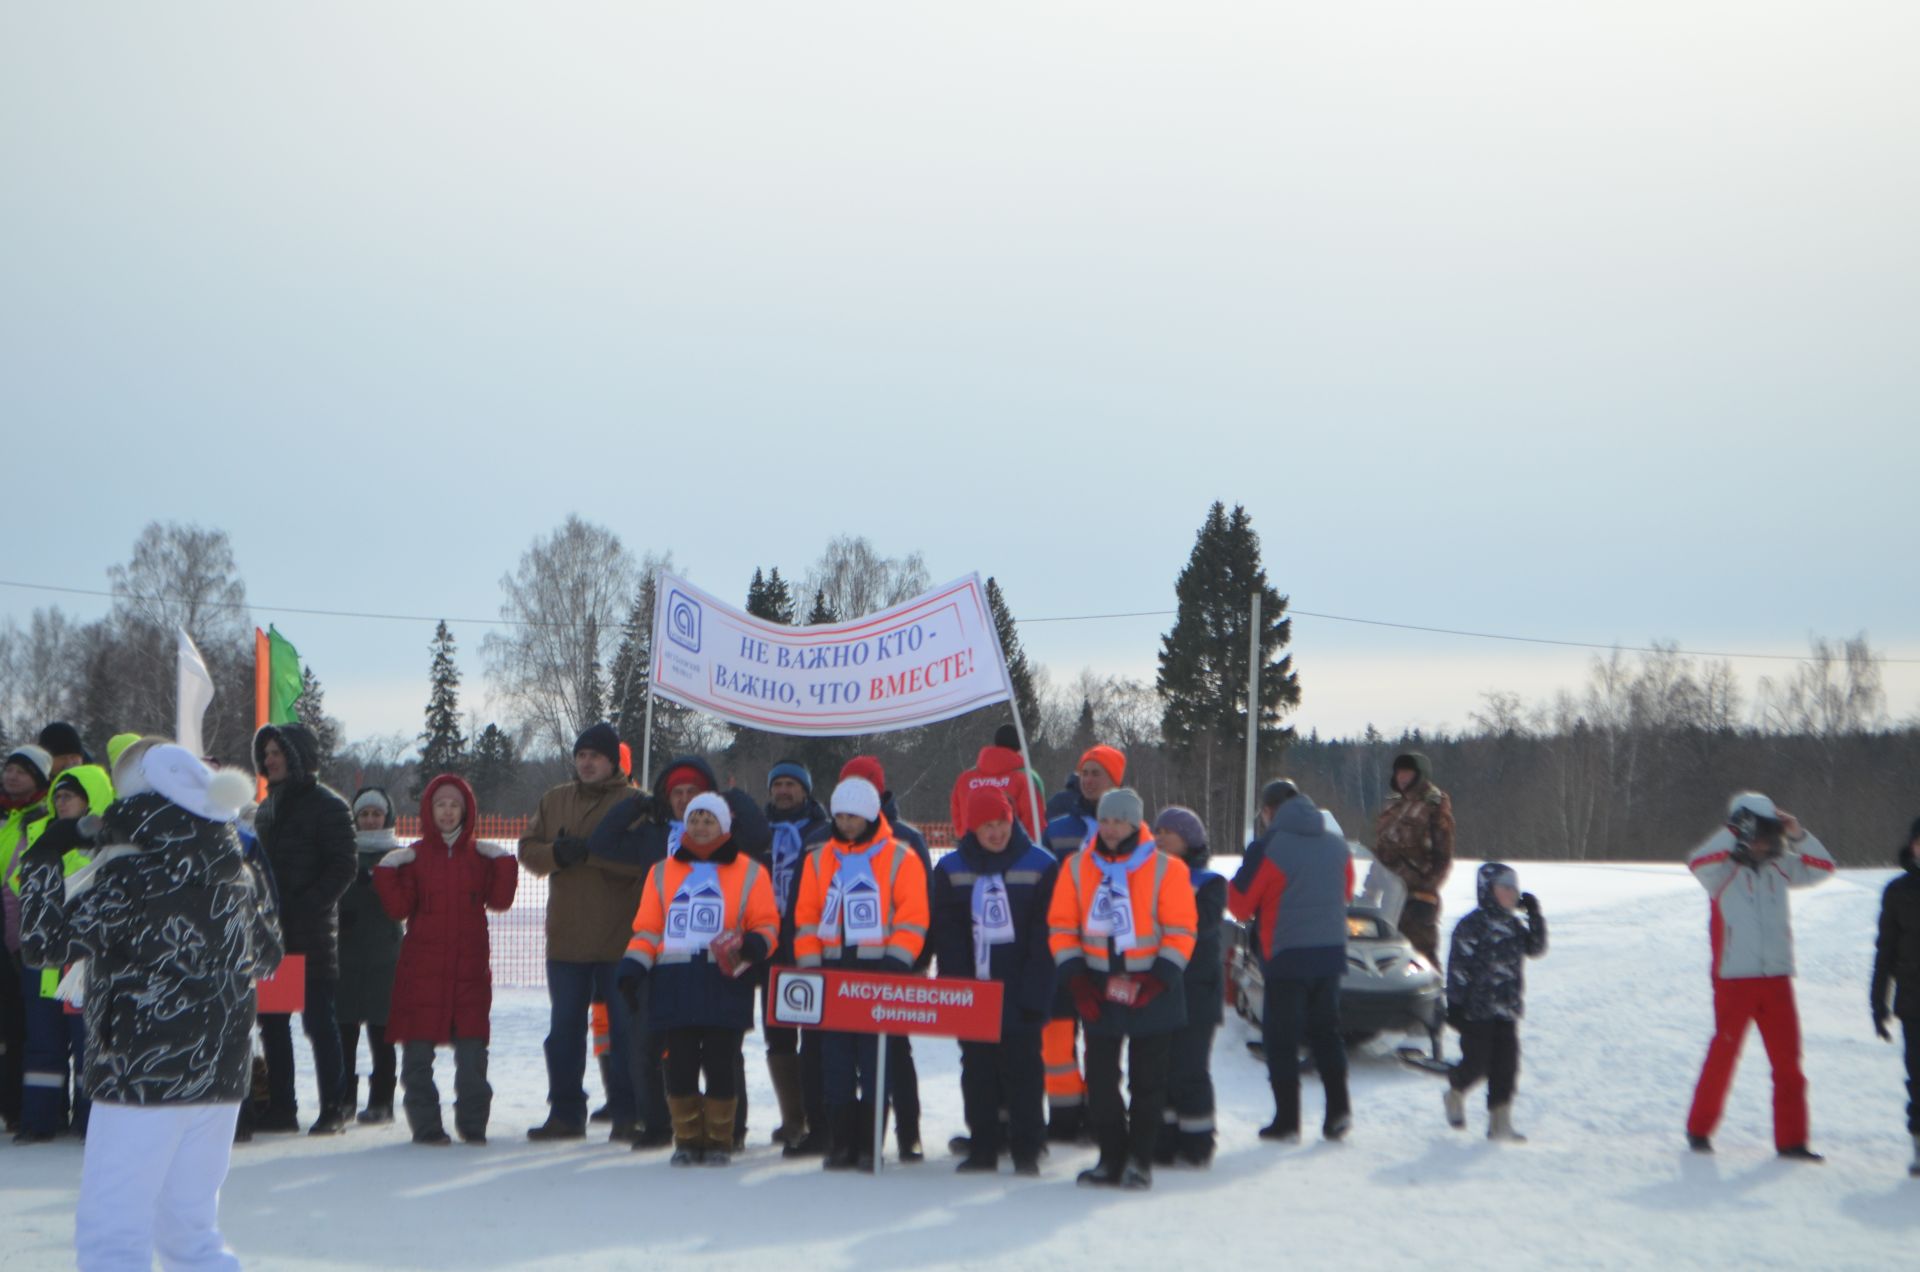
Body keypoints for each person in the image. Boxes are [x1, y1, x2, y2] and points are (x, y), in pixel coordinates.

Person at [19, 743, 279, 1271]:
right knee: (191, 1230)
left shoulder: (129, 878)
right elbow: (269, 955)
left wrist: (44, 857)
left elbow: (42, 945)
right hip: (220, 1075)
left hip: (140, 1071)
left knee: (113, 1229)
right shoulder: (236, 871)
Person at [587, 753, 770, 1150]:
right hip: (669, 970)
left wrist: (732, 799)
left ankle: (728, 1133)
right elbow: (604, 844)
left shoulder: (741, 857)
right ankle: (662, 1127)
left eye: (695, 796)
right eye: (679, 795)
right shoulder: (655, 838)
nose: (687, 803)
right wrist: (636, 802)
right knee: (664, 1053)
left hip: (723, 972)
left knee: (724, 1057)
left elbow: (759, 836)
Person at [619, 792, 778, 1166]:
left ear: (723, 826)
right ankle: (688, 1139)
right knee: (680, 1064)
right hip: (675, 982)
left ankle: (720, 1140)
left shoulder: (750, 872)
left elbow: (768, 924)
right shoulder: (662, 872)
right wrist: (632, 966)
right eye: (694, 819)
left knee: (722, 1062)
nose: (700, 827)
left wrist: (754, 944)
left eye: (708, 820)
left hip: (725, 980)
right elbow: (647, 930)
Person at [1050, 787, 1197, 1190]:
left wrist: (1159, 979)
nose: (1112, 829)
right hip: (1097, 987)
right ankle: (1110, 1157)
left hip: (1152, 987)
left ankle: (1139, 1160)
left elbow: (1182, 930)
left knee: (1147, 1083)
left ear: (1136, 824)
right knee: (1099, 1080)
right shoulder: (1078, 867)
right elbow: (1062, 926)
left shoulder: (1168, 869)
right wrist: (1077, 979)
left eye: (1120, 821)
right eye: (1107, 820)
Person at [1685, 791, 1834, 1160]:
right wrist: (1734, 827)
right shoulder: (1719, 874)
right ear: (1741, 833)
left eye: (1768, 834)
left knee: (1788, 1064)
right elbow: (1696, 860)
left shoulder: (1781, 867)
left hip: (1777, 980)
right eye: (1756, 833)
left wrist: (1798, 833)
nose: (1763, 841)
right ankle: (1699, 1131)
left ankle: (1792, 1141)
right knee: (1723, 1055)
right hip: (1734, 980)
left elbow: (1823, 866)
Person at [793, 776, 930, 1171]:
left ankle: (870, 1144)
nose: (846, 823)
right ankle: (840, 1143)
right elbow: (805, 918)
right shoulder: (820, 859)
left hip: (879, 974)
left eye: (853, 816)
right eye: (840, 816)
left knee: (876, 1062)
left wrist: (897, 959)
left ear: (870, 815)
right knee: (835, 1062)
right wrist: (810, 965)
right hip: (832, 973)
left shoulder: (900, 857)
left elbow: (913, 915)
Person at [375, 774, 517, 1145]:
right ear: (429, 810)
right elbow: (398, 908)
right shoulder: (417, 858)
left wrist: (503, 862)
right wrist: (389, 870)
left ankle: (473, 1127)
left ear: (466, 810)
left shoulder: (480, 858)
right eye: (441, 804)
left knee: (473, 1061)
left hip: (469, 977)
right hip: (421, 975)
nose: (448, 811)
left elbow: (500, 901)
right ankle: (426, 1128)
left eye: (455, 805)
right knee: (417, 1060)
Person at [517, 723, 640, 1141]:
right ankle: (566, 1113)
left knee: (625, 1031)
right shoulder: (554, 800)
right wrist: (556, 854)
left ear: (612, 762)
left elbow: (647, 862)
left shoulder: (636, 803)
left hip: (621, 938)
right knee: (565, 1029)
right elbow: (527, 851)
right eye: (581, 755)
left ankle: (629, 1112)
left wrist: (593, 856)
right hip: (567, 938)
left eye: (596, 756)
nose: (587, 763)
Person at [932, 787, 1058, 1175]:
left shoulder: (1040, 865)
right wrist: (957, 988)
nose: (996, 833)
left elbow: (1046, 935)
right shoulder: (951, 870)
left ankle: (1027, 1147)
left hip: (1021, 988)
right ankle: (984, 1145)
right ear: (972, 827)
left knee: (1024, 1071)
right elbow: (947, 935)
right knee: (978, 1070)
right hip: (974, 992)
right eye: (987, 826)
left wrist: (1035, 990)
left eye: (1001, 823)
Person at [1229, 785, 1355, 1143]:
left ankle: (1287, 1121)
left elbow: (1239, 905)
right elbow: (1345, 892)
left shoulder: (1268, 847)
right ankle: (1338, 1112)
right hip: (1330, 952)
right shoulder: (1335, 844)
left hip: (1285, 954)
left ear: (1269, 811)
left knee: (1280, 1039)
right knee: (1326, 1032)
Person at [252, 721, 357, 1134]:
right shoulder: (266, 807)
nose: (269, 759)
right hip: (272, 935)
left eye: (278, 752)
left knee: (318, 1022)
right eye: (267, 753)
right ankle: (282, 1106)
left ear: (297, 756)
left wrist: (306, 904)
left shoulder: (329, 805)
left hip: (311, 934)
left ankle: (334, 1106)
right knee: (273, 1022)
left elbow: (344, 867)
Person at [836, 755, 932, 1161]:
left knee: (894, 1051)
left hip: (893, 963)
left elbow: (923, 903)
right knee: (846, 1053)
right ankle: (846, 1137)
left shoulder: (907, 839)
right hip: (843, 964)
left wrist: (914, 958)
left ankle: (908, 1131)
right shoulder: (830, 841)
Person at [10, 761, 111, 1142]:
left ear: (92, 799)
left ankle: (90, 1120)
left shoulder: (108, 841)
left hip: (85, 957)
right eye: (58, 797)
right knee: (43, 1042)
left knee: (89, 1042)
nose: (61, 802)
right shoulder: (42, 834)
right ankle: (40, 1119)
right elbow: (24, 887)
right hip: (46, 956)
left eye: (69, 796)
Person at [1039, 744, 1125, 1142]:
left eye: (1098, 773)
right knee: (1055, 1036)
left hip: (1108, 951)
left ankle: (1100, 1113)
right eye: (1085, 772)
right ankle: (1063, 1115)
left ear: (1116, 781)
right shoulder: (1059, 829)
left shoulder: (1130, 830)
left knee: (1101, 1040)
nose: (1089, 780)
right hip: (1061, 946)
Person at [1442, 863, 1548, 1141]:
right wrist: (1455, 1005)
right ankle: (1455, 1091)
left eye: (1515, 887)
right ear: (1488, 890)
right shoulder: (1472, 925)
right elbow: (1458, 967)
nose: (1513, 893)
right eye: (1506, 887)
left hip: (1507, 1009)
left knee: (1506, 1066)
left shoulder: (1514, 925)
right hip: (1476, 1011)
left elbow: (1535, 948)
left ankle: (1500, 1121)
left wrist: (1534, 915)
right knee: (1477, 1063)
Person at [761, 759, 831, 1155]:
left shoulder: (820, 832)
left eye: (791, 784)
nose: (784, 791)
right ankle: (793, 1118)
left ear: (805, 791)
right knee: (778, 1032)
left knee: (814, 1032)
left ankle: (818, 1115)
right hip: (768, 944)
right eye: (778, 784)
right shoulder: (758, 831)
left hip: (809, 942)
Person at [1150, 805, 1224, 1166]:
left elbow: (1201, 925)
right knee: (1159, 1067)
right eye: (1157, 831)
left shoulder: (1210, 883)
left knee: (1190, 1068)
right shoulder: (1147, 878)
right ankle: (1162, 1141)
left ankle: (1196, 1141)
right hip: (1160, 986)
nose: (1159, 837)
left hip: (1197, 988)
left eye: (1168, 832)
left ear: (1189, 840)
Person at [338, 787, 404, 1125]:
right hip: (346, 955)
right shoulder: (342, 853)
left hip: (385, 956)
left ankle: (382, 1100)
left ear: (387, 817)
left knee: (383, 1034)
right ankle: (344, 1097)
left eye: (376, 814)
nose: (370, 820)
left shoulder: (398, 855)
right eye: (364, 814)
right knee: (344, 1032)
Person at [0, 743, 53, 1131]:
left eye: (21, 770)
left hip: (33, 936)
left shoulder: (47, 816)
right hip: (4, 934)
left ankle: (22, 1107)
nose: (11, 775)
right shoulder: (4, 817)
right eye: (8, 768)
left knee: (28, 1027)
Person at [1870, 817, 1920, 1177]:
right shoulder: (1898, 891)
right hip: (1913, 1001)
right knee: (1918, 1077)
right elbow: (1885, 951)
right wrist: (1878, 1002)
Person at [1372, 752, 1453, 970]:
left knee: (1421, 956)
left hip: (1417, 896)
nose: (1402, 777)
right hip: (1389, 895)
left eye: (1407, 772)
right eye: (1399, 772)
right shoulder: (1393, 804)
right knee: (1384, 954)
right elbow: (1380, 850)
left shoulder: (1434, 804)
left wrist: (1427, 892)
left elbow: (1443, 856)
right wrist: (1369, 891)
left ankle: (1432, 1001)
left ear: (1419, 775)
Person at [949, 724, 1046, 840]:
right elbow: (1035, 822)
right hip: (1013, 853)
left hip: (972, 852)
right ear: (1022, 746)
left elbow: (958, 818)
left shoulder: (965, 779)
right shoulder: (1026, 778)